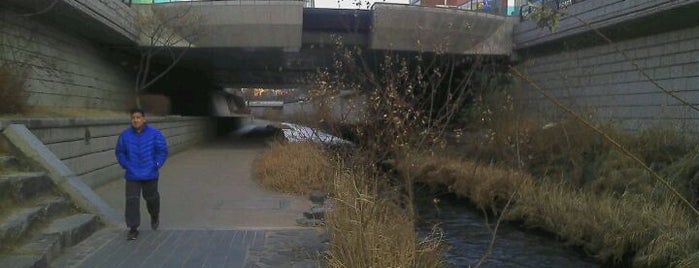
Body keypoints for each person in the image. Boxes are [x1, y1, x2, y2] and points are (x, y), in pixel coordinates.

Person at [115, 108, 168, 240]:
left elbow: (162, 151)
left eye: (138, 117)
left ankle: (154, 214)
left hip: (150, 173)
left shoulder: (155, 134)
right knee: (132, 201)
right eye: (133, 118)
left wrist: (156, 164)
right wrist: (125, 164)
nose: (135, 120)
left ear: (144, 119)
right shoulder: (125, 135)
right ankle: (133, 228)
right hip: (132, 174)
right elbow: (120, 152)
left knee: (151, 198)